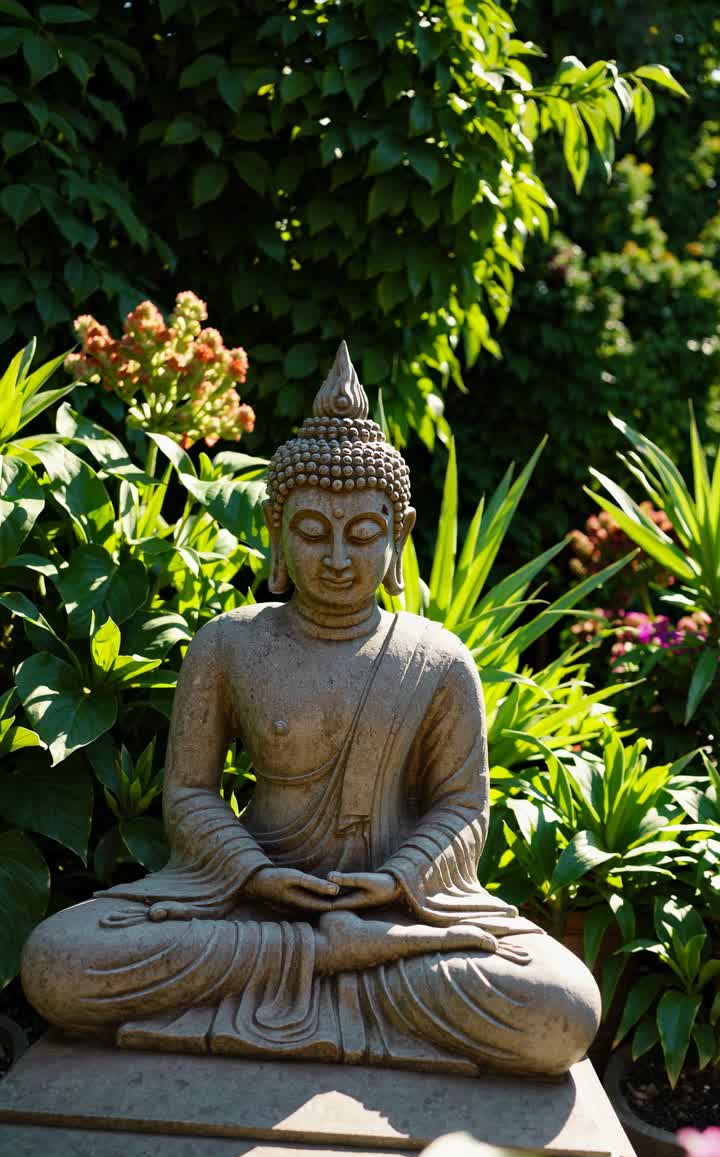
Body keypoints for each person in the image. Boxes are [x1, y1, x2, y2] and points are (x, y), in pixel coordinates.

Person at [22, 344, 600, 1075]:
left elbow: (462, 808)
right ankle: (336, 961)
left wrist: (394, 881)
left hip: (394, 915)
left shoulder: (437, 658)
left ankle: (341, 957)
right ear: (276, 530)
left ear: (398, 533)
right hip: (249, 906)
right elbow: (191, 792)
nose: (337, 559)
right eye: (311, 532)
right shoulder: (230, 643)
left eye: (362, 535)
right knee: (59, 963)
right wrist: (256, 875)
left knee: (560, 1011)